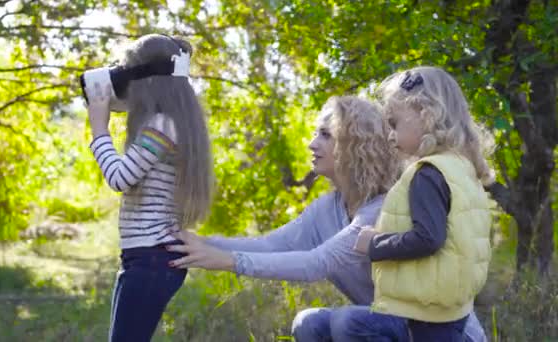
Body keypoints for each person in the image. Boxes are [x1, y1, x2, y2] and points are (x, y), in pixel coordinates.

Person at [165, 95, 488, 341]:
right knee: (310, 322)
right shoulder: (327, 208)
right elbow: (271, 244)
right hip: (391, 324)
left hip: (445, 334)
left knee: (348, 321)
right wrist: (195, 243)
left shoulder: (385, 205)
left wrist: (222, 260)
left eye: (324, 134)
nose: (311, 143)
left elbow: (316, 263)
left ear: (355, 145)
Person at [353, 66, 495, 341]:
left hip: (427, 311)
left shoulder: (428, 174)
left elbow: (428, 238)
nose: (390, 135)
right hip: (453, 306)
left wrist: (374, 244)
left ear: (427, 114)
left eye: (394, 123)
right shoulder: (462, 169)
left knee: (338, 325)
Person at [86, 34, 213, 341]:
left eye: (127, 72)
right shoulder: (167, 122)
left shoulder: (162, 124)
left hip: (151, 257)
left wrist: (99, 129)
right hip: (144, 256)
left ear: (147, 80)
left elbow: (119, 178)